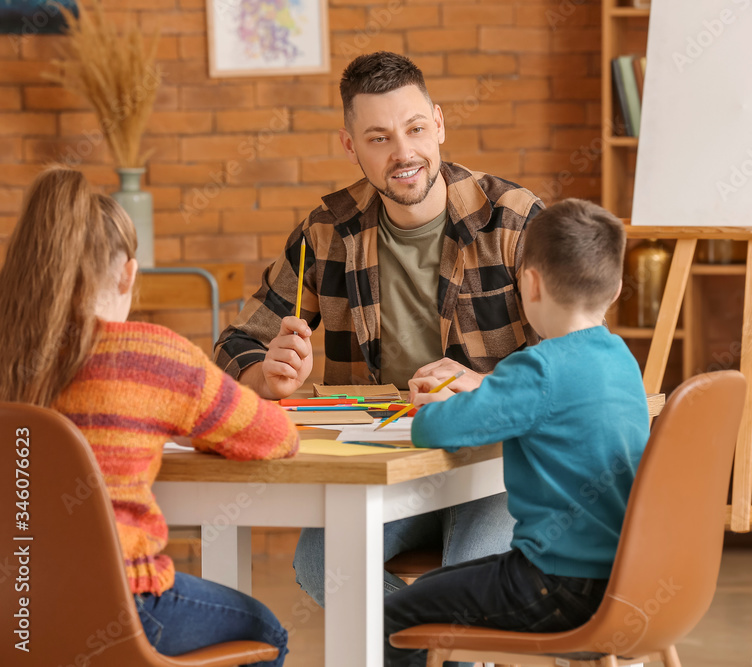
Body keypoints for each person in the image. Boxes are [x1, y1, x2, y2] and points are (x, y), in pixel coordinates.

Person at [212, 51, 543, 603]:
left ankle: (447, 645)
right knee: (323, 568)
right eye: (379, 138)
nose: (403, 152)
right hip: (386, 469)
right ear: (351, 146)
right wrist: (263, 379)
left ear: (438, 123)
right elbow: (236, 343)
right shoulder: (326, 232)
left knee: (470, 582)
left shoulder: (513, 219)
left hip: (497, 465)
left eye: (414, 129)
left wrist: (489, 388)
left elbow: (576, 356)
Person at [0, 167, 299, 666]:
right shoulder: (151, 356)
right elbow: (276, 437)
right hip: (123, 604)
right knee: (267, 631)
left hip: (16, 611)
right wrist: (203, 431)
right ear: (128, 273)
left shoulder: (12, 353)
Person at [383, 199, 650, 666]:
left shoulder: (538, 367)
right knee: (435, 588)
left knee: (396, 614)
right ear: (616, 289)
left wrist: (436, 407)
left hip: (558, 585)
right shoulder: (622, 359)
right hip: (625, 581)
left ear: (529, 282)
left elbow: (435, 429)